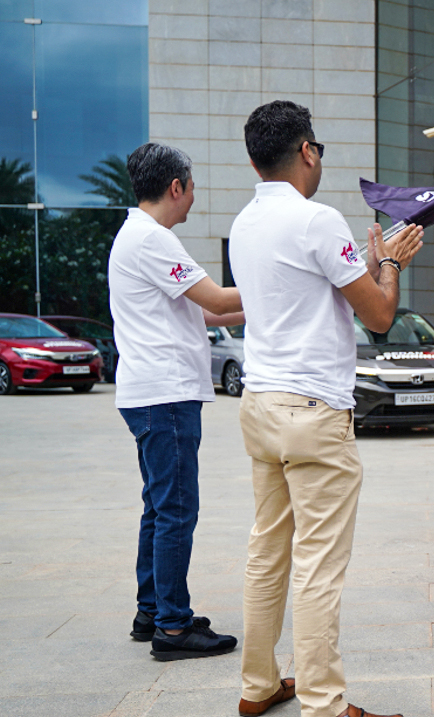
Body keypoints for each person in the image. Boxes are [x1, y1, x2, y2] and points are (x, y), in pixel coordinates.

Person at [229, 100, 424, 717]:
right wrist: (390, 264)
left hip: (261, 404)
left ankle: (259, 684)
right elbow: (379, 315)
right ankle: (323, 705)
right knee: (318, 562)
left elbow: (316, 290)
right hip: (312, 412)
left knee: (268, 551)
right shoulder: (317, 219)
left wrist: (368, 263)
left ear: (256, 161)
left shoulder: (245, 223)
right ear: (307, 150)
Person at [109, 142, 244, 661]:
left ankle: (153, 610)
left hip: (150, 394)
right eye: (192, 187)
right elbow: (216, 298)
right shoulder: (152, 239)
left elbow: (206, 313)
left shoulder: (138, 236)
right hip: (164, 395)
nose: (193, 196)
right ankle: (172, 626)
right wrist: (292, 283)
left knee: (159, 506)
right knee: (176, 510)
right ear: (175, 187)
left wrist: (267, 305)